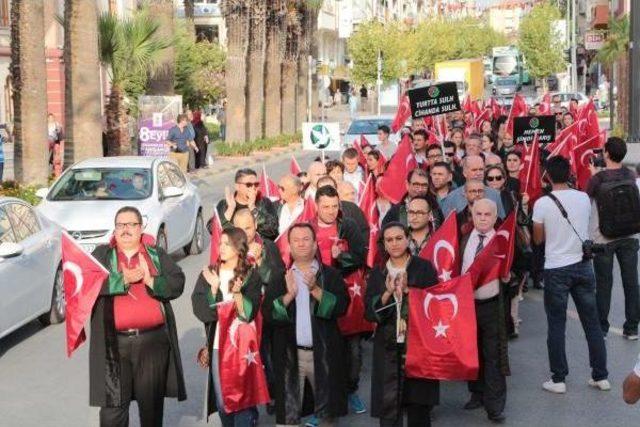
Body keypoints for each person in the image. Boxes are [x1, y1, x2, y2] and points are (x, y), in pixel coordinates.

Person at [90, 206, 186, 426]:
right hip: (113, 344)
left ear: (140, 229)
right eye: (120, 225)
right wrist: (121, 279)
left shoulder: (155, 255)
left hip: (153, 343)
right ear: (114, 230)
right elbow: (87, 284)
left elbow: (177, 283)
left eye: (131, 224)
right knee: (112, 411)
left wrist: (151, 281)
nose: (125, 229)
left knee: (151, 410)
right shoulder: (102, 256)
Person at [532, 156, 609, 394]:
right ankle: (601, 375)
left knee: (556, 325)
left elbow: (538, 239)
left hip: (556, 268)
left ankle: (558, 379)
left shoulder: (542, 203)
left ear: (547, 176)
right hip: (583, 265)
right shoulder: (584, 197)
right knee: (592, 323)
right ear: (570, 174)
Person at [263, 223, 349, 426]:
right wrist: (289, 295)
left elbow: (342, 307)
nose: (301, 244)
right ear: (289, 246)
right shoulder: (279, 278)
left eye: (306, 239)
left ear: (315, 244)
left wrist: (316, 290)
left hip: (324, 355)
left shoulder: (330, 276)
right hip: (290, 358)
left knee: (327, 416)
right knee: (289, 418)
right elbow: (268, 315)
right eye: (296, 240)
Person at [365, 222, 440, 427]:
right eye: (389, 240)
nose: (395, 243)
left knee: (418, 407)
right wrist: (388, 293)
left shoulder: (423, 267)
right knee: (389, 407)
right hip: (388, 346)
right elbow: (369, 313)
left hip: (418, 346)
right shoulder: (378, 272)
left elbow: (435, 305)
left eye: (399, 238)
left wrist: (408, 293)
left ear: (407, 239)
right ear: (384, 244)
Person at [191, 227, 263, 425]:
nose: (221, 247)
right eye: (220, 243)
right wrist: (214, 289)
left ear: (238, 248)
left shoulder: (250, 275)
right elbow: (201, 310)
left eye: (226, 244)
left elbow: (248, 313)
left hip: (243, 347)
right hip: (217, 346)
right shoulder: (209, 274)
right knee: (223, 402)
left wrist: (237, 296)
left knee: (243, 401)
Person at [313, 185, 367, 414]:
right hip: (320, 296)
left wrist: (341, 257)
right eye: (325, 206)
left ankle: (351, 389)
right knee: (325, 352)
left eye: (335, 206)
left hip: (349, 296)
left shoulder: (349, 225)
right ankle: (327, 399)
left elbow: (360, 256)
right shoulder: (307, 228)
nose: (331, 211)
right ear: (316, 205)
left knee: (353, 352)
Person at [586, 137, 640, 340]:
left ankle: (602, 327)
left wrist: (593, 175)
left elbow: (586, 202)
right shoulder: (631, 174)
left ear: (606, 154)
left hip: (604, 238)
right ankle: (632, 327)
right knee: (631, 281)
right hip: (630, 235)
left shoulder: (597, 180)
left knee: (604, 284)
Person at [460, 199, 509, 424]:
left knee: (493, 356)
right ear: (472, 214)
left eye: (487, 214)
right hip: (467, 306)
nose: (482, 218)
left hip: (493, 305)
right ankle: (476, 394)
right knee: (473, 353)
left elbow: (522, 264)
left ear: (495, 216)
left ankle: (495, 406)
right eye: (478, 213)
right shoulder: (462, 239)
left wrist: (511, 278)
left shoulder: (503, 242)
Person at [214, 168, 279, 241]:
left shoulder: (264, 202)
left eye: (256, 184)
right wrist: (230, 209)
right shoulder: (224, 204)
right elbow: (213, 230)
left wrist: (252, 207)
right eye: (249, 185)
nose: (253, 188)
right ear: (237, 186)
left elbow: (273, 230)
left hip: (258, 248)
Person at [440, 155, 506, 219]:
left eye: (481, 169)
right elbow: (446, 225)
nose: (478, 173)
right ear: (465, 173)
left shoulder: (494, 194)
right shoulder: (452, 197)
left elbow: (501, 222)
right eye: (474, 170)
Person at [317, 176, 370, 246]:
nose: (351, 197)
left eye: (352, 193)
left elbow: (364, 231)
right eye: (347, 194)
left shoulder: (354, 209)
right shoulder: (318, 211)